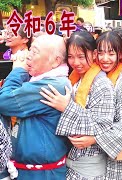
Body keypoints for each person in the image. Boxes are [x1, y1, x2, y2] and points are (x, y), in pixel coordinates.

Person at [40, 31, 115, 179]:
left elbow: (103, 126)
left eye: (81, 57)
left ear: (94, 54)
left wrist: (66, 107)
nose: (76, 62)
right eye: (71, 57)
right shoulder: (73, 79)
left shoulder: (102, 84)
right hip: (70, 159)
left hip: (89, 165)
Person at [0, 34, 70, 179]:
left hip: (41, 174)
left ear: (56, 61)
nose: (28, 57)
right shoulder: (44, 80)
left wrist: (19, 70)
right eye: (30, 50)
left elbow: (3, 102)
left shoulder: (51, 86)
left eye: (35, 52)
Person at [96, 31, 122, 179]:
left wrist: (94, 138)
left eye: (111, 53)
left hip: (114, 157)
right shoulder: (94, 78)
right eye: (100, 53)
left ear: (120, 55)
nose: (105, 58)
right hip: (93, 157)